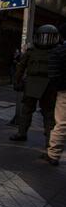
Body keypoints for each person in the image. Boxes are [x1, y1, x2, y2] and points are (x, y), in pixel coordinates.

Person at [10, 25, 59, 147]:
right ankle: (22, 133)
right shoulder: (31, 52)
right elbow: (20, 67)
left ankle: (49, 141)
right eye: (43, 37)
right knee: (28, 111)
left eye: (48, 38)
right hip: (33, 83)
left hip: (48, 85)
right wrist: (17, 81)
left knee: (48, 114)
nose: (45, 40)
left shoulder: (57, 51)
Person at [42, 23, 66, 166]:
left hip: (63, 91)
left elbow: (54, 75)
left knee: (61, 123)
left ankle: (53, 154)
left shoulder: (59, 51)